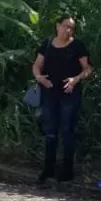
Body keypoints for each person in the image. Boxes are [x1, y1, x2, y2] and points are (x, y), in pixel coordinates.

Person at [31, 15, 94, 182]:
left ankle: (67, 171)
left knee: (67, 132)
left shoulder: (77, 46)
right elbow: (37, 65)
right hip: (50, 93)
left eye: (71, 28)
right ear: (57, 26)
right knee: (50, 132)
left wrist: (76, 79)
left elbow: (87, 69)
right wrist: (39, 78)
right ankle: (48, 169)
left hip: (70, 94)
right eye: (66, 26)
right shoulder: (47, 44)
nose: (68, 30)